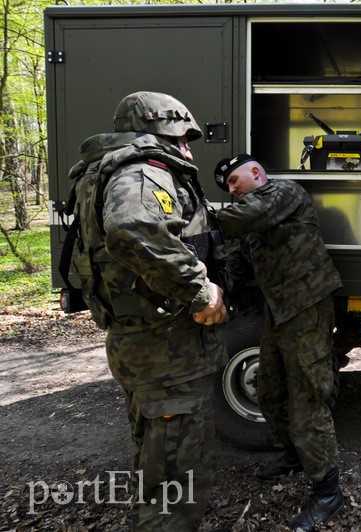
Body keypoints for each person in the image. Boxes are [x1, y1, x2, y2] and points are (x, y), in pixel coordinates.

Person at [66, 91, 227, 530]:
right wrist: (200, 289)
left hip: (146, 344)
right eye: (182, 136)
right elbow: (133, 229)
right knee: (175, 482)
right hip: (166, 349)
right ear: (159, 130)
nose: (188, 147)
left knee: (157, 462)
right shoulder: (143, 171)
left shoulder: (107, 171)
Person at [213, 154, 345, 531]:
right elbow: (235, 264)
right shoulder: (249, 215)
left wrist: (199, 218)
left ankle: (328, 493)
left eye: (235, 181)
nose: (232, 190)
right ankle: (293, 453)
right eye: (228, 188)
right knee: (269, 390)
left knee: (307, 399)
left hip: (306, 305)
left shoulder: (283, 194)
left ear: (256, 173)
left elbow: (240, 219)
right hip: (278, 310)